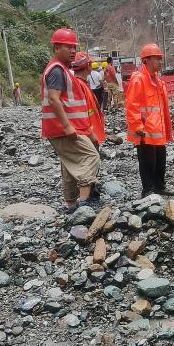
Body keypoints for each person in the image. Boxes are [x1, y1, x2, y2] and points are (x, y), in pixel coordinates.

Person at [41, 28, 101, 213]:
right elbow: (54, 99)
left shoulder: (62, 70)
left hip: (62, 128)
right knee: (90, 157)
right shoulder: (57, 70)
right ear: (56, 48)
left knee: (69, 163)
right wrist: (67, 126)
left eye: (74, 47)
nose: (73, 51)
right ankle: (84, 203)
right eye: (68, 47)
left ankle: (71, 204)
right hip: (62, 128)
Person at [126, 43, 174, 197]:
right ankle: (148, 189)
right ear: (146, 60)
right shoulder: (139, 79)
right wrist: (137, 126)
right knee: (147, 160)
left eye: (161, 58)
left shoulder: (158, 81)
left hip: (157, 129)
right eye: (157, 58)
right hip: (145, 130)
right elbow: (132, 105)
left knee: (160, 158)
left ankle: (159, 186)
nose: (160, 61)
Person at [71, 52, 106, 145]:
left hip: (90, 136)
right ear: (88, 66)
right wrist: (90, 134)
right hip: (88, 138)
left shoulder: (81, 84)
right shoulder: (79, 85)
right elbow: (79, 115)